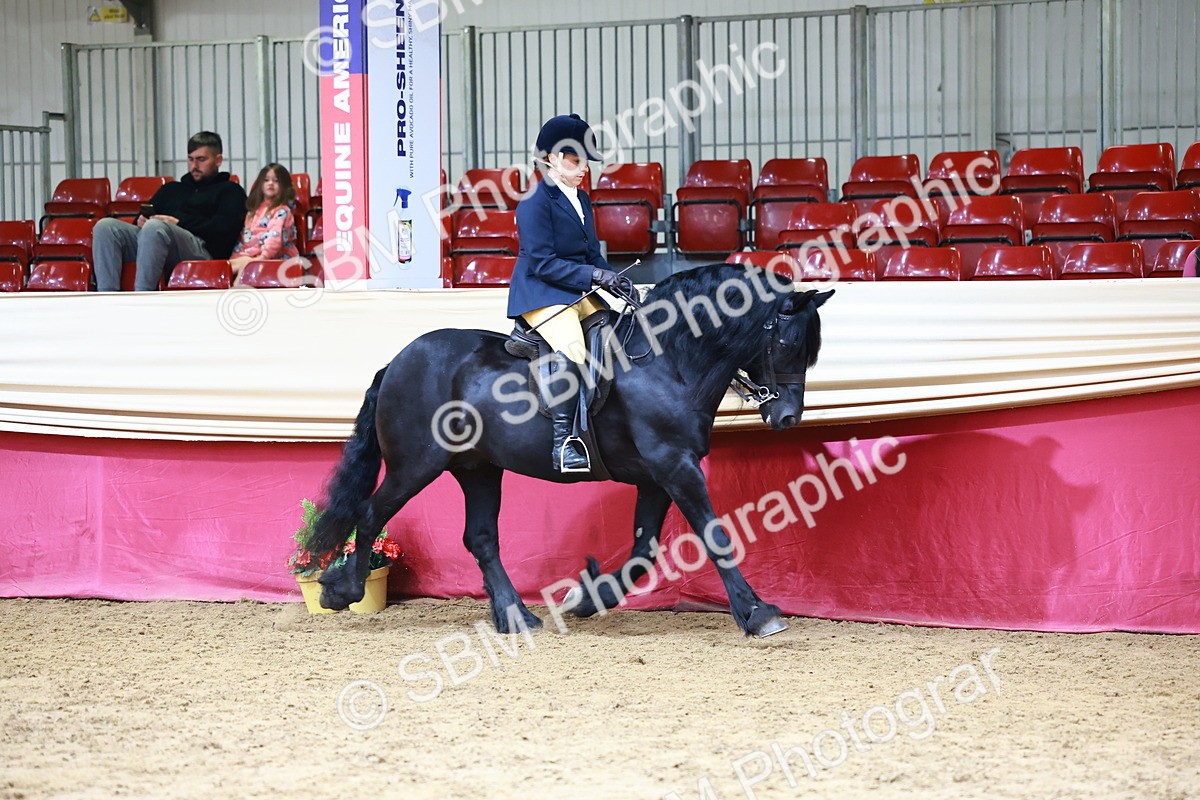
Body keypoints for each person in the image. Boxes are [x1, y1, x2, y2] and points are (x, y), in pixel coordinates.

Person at [506, 113, 636, 473]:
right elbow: (543, 263)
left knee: (614, 333)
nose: (584, 169)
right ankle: (564, 443)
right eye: (575, 160)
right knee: (573, 348)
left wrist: (616, 279)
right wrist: (594, 275)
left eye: (585, 161)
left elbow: (592, 254)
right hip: (541, 293)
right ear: (551, 158)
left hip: (575, 293)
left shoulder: (582, 200)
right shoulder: (534, 201)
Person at [92, 131, 247, 291]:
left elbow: (223, 231)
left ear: (218, 160)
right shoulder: (171, 189)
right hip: (156, 239)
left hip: (202, 249)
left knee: (155, 227)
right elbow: (143, 217)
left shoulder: (231, 191)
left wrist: (178, 223)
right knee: (105, 227)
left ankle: (142, 294)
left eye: (201, 159)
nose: (194, 166)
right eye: (191, 159)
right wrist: (140, 221)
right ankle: (106, 295)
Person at [228, 163, 300, 282]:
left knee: (245, 267)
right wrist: (239, 255)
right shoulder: (253, 211)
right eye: (266, 180)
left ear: (284, 186)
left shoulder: (282, 211)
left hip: (276, 257)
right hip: (253, 255)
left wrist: (262, 257)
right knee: (227, 266)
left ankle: (236, 290)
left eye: (276, 181)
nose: (270, 183)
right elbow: (244, 239)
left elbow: (274, 239)